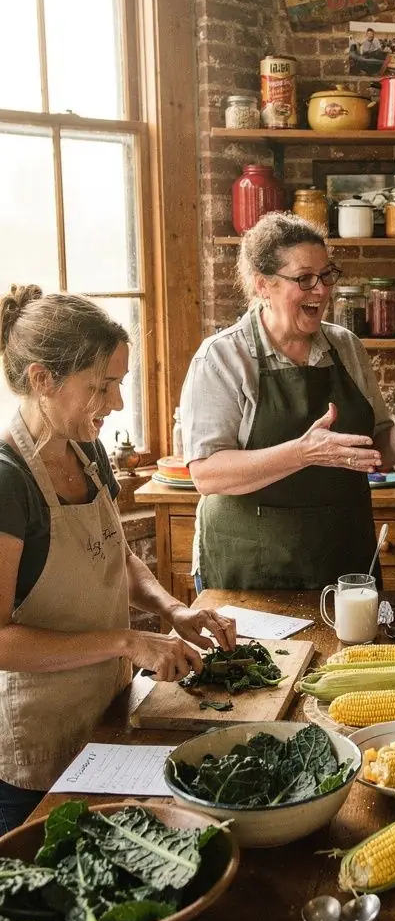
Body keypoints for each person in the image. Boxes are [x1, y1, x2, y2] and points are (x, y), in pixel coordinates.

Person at [0, 287, 235, 835]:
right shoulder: (8, 481)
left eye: (120, 383)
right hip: (37, 756)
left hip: (108, 718)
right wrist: (129, 641)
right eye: (101, 386)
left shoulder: (88, 451)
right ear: (42, 380)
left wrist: (172, 609)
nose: (117, 403)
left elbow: (113, 555)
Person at [181, 213, 395, 591]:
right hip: (251, 567)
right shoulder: (222, 358)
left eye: (326, 275)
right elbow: (206, 474)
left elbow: (372, 455)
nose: (321, 290)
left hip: (343, 560)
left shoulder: (346, 347)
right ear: (263, 285)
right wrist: (303, 453)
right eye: (304, 279)